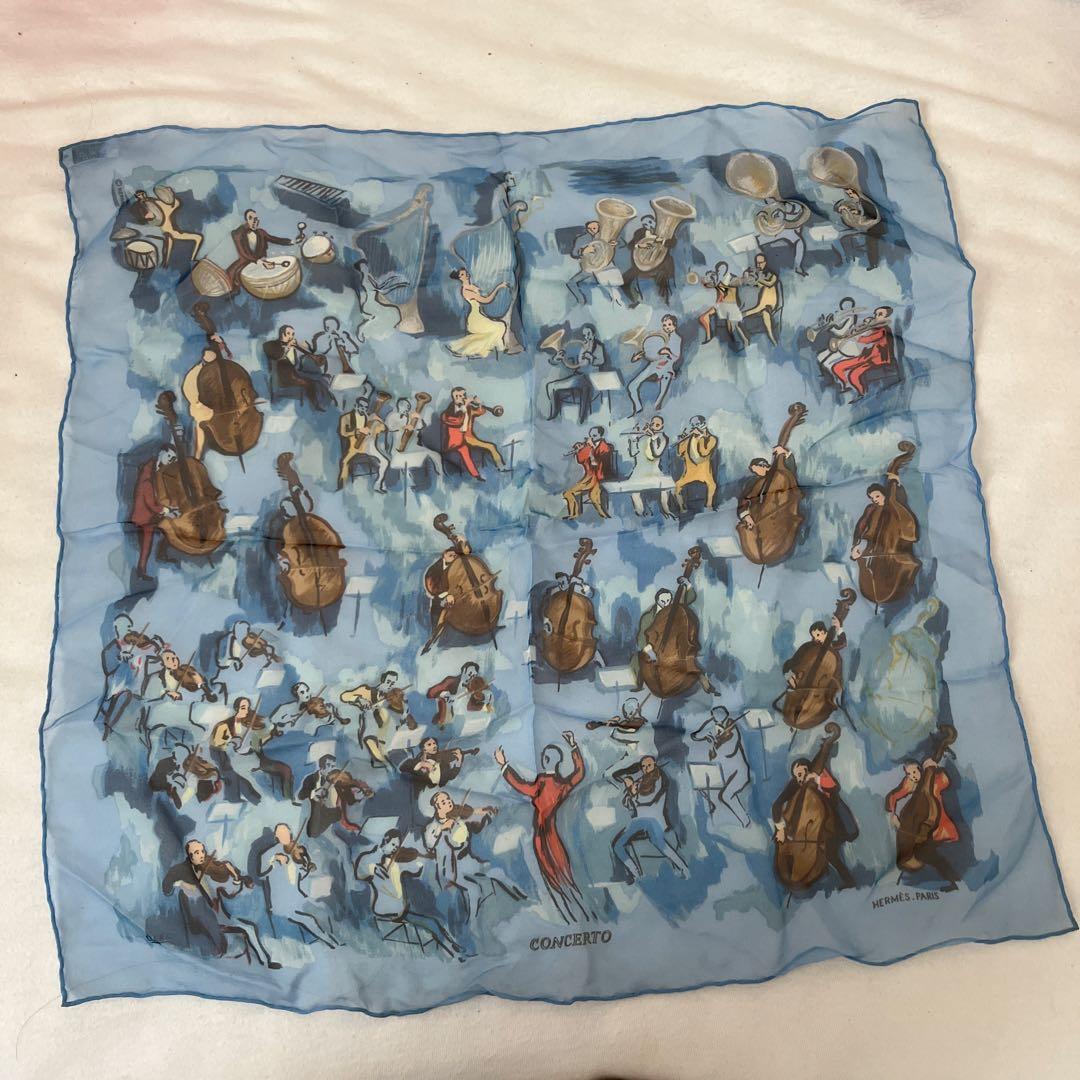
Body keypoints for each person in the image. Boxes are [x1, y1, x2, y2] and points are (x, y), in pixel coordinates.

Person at [495, 731, 591, 923]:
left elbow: (520, 785)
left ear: (545, 760)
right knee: (563, 870)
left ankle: (565, 909)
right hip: (553, 832)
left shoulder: (541, 785)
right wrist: (574, 747)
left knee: (551, 873)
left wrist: (504, 765)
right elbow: (579, 773)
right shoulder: (561, 784)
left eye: (544, 757)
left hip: (542, 834)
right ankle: (576, 906)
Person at [162, 839, 279, 968]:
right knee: (246, 929)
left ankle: (266, 961)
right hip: (202, 918)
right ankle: (258, 959)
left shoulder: (208, 866)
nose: (201, 855)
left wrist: (236, 877)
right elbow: (166, 887)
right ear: (189, 855)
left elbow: (228, 888)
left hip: (219, 914)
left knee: (250, 928)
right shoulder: (180, 870)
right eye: (196, 852)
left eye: (202, 851)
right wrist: (180, 884)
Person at [354, 829, 463, 958]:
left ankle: (452, 944)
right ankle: (449, 951)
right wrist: (374, 867)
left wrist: (420, 860)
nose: (396, 848)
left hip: (401, 910)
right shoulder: (372, 861)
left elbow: (416, 870)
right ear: (385, 841)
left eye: (397, 845)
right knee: (431, 923)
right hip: (386, 911)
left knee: (435, 919)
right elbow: (359, 872)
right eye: (393, 844)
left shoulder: (396, 864)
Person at [424, 792, 525, 919]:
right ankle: (473, 918)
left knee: (497, 872)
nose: (448, 802)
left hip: (468, 861)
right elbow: (434, 843)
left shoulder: (456, 815)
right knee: (474, 889)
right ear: (438, 808)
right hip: (452, 869)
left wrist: (487, 811)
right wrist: (442, 828)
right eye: (443, 802)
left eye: (448, 799)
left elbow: (472, 812)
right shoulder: (433, 826)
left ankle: (522, 896)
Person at [771, 758, 858, 889]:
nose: (799, 779)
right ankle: (831, 874)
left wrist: (817, 779)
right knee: (828, 853)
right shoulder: (796, 783)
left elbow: (834, 787)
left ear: (808, 770)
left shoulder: (819, 775)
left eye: (800, 774)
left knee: (830, 853)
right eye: (796, 776)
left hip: (832, 822)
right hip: (809, 829)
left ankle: (847, 880)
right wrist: (781, 829)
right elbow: (777, 805)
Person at [260, 824, 340, 948]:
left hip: (299, 896)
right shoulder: (270, 853)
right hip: (284, 903)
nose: (286, 836)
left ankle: (332, 938)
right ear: (276, 836)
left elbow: (299, 876)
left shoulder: (294, 850)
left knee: (324, 908)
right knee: (310, 920)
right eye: (281, 834)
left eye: (287, 833)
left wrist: (308, 868)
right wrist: (274, 858)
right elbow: (261, 871)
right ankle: (330, 942)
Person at [610, 756, 689, 882]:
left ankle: (683, 868)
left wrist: (633, 793)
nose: (646, 769)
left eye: (649, 765)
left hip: (654, 820)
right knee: (617, 845)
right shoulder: (640, 781)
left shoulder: (659, 778)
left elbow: (649, 800)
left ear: (655, 765)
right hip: (639, 820)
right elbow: (627, 804)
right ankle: (635, 872)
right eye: (643, 766)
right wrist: (630, 789)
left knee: (661, 844)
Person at [886, 759, 960, 889]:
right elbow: (894, 795)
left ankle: (954, 879)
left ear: (921, 769)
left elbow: (946, 780)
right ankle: (953, 879)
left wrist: (933, 768)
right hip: (921, 828)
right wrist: (892, 813)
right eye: (909, 774)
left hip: (937, 826)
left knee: (925, 853)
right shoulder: (910, 782)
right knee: (924, 852)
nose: (912, 776)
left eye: (914, 772)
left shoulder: (935, 780)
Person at [633, 585, 716, 695]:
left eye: (668, 601)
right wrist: (650, 651)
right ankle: (641, 684)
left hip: (672, 650)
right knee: (644, 661)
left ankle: (699, 678)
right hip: (653, 649)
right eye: (663, 601)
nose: (666, 604)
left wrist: (687, 585)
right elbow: (641, 638)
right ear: (657, 601)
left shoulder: (674, 610)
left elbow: (691, 597)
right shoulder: (648, 617)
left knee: (683, 661)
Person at [691, 707, 751, 826]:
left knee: (727, 795)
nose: (716, 719)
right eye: (715, 717)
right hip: (723, 772)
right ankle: (721, 815)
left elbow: (727, 753)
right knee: (702, 785)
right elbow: (694, 735)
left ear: (726, 715)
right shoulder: (714, 725)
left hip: (738, 773)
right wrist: (705, 734)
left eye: (719, 716)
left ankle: (745, 821)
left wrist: (715, 741)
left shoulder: (734, 731)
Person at [341, 669, 413, 766]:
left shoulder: (392, 697)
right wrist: (359, 699)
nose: (390, 685)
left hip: (389, 732)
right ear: (382, 680)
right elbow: (344, 696)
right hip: (371, 730)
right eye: (388, 682)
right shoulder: (367, 691)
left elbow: (403, 714)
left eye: (392, 683)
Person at [130, 448, 180, 577]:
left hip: (151, 513)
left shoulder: (156, 467)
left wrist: (169, 508)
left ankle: (160, 554)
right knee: (146, 545)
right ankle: (141, 570)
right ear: (161, 453)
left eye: (173, 458)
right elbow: (151, 503)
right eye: (169, 456)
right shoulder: (147, 478)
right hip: (145, 516)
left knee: (169, 526)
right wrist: (166, 510)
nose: (171, 460)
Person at [297, 754, 373, 836]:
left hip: (332, 813)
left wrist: (355, 797)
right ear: (321, 766)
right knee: (313, 832)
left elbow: (345, 795)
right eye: (329, 765)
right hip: (317, 809)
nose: (331, 769)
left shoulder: (336, 779)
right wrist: (314, 792)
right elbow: (301, 795)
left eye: (333, 766)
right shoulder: (311, 779)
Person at [263, 325, 334, 411]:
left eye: (293, 334)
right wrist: (287, 347)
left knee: (320, 379)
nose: (291, 336)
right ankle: (316, 405)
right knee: (310, 383)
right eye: (288, 333)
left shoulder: (293, 347)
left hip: (294, 373)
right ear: (282, 333)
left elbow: (295, 362)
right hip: (283, 378)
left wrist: (301, 348)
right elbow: (276, 355)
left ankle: (327, 400)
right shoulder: (272, 344)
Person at [544, 324, 605, 423]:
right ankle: (554, 414)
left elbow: (601, 361)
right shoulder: (581, 345)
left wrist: (592, 358)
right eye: (584, 335)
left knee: (585, 388)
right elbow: (568, 358)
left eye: (589, 334)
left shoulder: (599, 347)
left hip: (591, 378)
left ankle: (581, 419)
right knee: (551, 386)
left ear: (594, 334)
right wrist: (555, 359)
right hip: (579, 377)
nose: (587, 337)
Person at [208, 698, 264, 805]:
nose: (246, 711)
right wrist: (232, 744)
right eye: (243, 708)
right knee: (232, 776)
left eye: (247, 708)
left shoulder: (242, 723)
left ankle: (244, 799)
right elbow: (219, 743)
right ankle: (246, 799)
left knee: (235, 778)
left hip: (230, 754)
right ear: (236, 708)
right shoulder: (224, 725)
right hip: (219, 752)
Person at [446, 267, 512, 358]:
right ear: (460, 278)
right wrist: (498, 287)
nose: (466, 275)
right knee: (500, 326)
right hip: (475, 319)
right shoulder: (466, 291)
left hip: (479, 316)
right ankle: (493, 349)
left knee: (497, 328)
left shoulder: (472, 287)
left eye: (466, 273)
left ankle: (497, 348)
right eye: (462, 274)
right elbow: (486, 300)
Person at [441, 386, 505, 479]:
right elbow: (461, 425)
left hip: (468, 437)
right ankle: (497, 469)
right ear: (454, 397)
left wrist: (479, 404)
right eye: (458, 396)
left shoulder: (468, 408)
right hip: (456, 441)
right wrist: (466, 406)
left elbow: (480, 412)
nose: (462, 397)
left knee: (469, 456)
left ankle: (483, 473)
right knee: (488, 447)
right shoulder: (449, 412)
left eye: (463, 395)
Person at [832, 307, 897, 397]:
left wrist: (857, 336)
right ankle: (846, 386)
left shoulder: (884, 331)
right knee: (837, 367)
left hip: (878, 360)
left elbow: (868, 339)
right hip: (867, 357)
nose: (876, 316)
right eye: (875, 314)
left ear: (887, 318)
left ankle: (862, 394)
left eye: (880, 314)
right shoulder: (875, 329)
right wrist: (866, 325)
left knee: (854, 374)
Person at [226, 208, 294, 291]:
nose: (254, 221)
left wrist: (291, 241)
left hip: (260, 261)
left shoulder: (261, 232)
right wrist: (259, 261)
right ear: (246, 221)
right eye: (250, 218)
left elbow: (274, 239)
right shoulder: (238, 234)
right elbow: (244, 253)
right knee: (231, 276)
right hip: (244, 262)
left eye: (256, 218)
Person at [626, 314, 682, 415]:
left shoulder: (677, 339)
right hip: (654, 365)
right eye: (664, 325)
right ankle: (638, 408)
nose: (667, 327)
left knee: (661, 395)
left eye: (669, 324)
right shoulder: (660, 336)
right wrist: (637, 358)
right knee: (632, 386)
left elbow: (676, 357)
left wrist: (668, 352)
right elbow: (652, 354)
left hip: (666, 367)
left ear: (675, 325)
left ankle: (657, 409)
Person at [133, 187, 203, 265]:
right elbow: (149, 216)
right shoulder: (144, 206)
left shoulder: (153, 201)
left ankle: (167, 262)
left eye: (142, 194)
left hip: (168, 228)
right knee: (198, 238)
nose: (142, 196)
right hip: (169, 230)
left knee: (170, 244)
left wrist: (168, 194)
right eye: (139, 195)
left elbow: (171, 202)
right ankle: (192, 259)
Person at [625, 414, 675, 518]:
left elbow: (656, 454)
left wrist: (653, 438)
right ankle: (641, 513)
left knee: (666, 489)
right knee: (634, 492)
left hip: (654, 471)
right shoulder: (642, 436)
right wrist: (633, 440)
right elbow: (633, 453)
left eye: (657, 425)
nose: (654, 426)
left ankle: (666, 511)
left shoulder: (663, 438)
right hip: (639, 472)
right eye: (652, 424)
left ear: (662, 426)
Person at [337, 394, 389, 492]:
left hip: (367, 446)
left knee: (385, 462)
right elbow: (343, 432)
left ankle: (378, 485)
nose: (363, 409)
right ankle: (341, 487)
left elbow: (384, 429)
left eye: (365, 407)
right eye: (361, 406)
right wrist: (358, 431)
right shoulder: (346, 417)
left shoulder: (368, 417)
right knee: (344, 463)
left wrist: (379, 420)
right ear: (355, 406)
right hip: (354, 447)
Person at [567, 219, 624, 306]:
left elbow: (622, 244)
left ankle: (615, 301)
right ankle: (581, 301)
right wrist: (582, 251)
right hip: (589, 268)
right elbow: (574, 253)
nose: (592, 230)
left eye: (594, 228)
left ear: (599, 228)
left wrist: (613, 244)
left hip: (604, 267)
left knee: (610, 285)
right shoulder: (581, 239)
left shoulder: (606, 237)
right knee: (571, 283)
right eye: (589, 228)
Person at [384, 395, 443, 479]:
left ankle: (440, 476)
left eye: (408, 407)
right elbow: (389, 427)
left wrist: (419, 418)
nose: (407, 409)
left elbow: (420, 427)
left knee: (436, 455)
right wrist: (404, 427)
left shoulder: (409, 418)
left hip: (411, 448)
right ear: (399, 406)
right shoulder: (393, 416)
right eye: (405, 406)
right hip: (397, 451)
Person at [562, 425, 612, 520]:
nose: (591, 438)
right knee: (591, 497)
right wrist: (579, 450)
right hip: (590, 477)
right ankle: (574, 514)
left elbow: (596, 463)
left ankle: (603, 516)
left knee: (592, 496)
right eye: (590, 435)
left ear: (601, 435)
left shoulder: (604, 447)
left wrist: (592, 447)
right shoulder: (588, 446)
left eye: (594, 436)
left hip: (596, 477)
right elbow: (581, 460)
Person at [695, 261, 746, 348]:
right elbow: (709, 285)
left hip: (730, 305)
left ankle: (743, 341)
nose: (720, 272)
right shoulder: (718, 280)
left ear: (726, 269)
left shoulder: (731, 278)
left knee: (732, 327)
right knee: (703, 318)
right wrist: (704, 281)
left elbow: (726, 290)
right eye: (718, 270)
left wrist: (716, 285)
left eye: (722, 270)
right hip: (720, 305)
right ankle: (709, 337)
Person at [674, 415, 718, 512]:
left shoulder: (711, 439)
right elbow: (680, 453)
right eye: (693, 425)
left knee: (712, 485)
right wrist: (681, 440)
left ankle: (709, 506)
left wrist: (701, 437)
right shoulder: (689, 438)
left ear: (704, 424)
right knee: (677, 486)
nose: (694, 427)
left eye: (697, 424)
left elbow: (704, 452)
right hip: (689, 472)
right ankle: (682, 508)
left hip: (704, 471)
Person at [426, 661, 489, 727]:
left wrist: (481, 699)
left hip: (460, 721)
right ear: (464, 671)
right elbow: (430, 693)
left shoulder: (472, 690)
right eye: (470, 674)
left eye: (473, 676)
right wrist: (443, 695)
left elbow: (471, 708)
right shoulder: (450, 681)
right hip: (444, 716)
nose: (470, 678)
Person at [756, 197, 808, 275]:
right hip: (772, 226)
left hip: (781, 226)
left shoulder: (791, 215)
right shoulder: (778, 213)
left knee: (798, 240)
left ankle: (797, 266)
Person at [399, 737, 467, 794]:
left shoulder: (443, 764)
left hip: (436, 792)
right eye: (429, 744)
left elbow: (451, 776)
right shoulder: (416, 761)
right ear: (424, 749)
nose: (434, 746)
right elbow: (402, 768)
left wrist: (459, 761)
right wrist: (420, 765)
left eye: (434, 743)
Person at [740, 253, 780, 345]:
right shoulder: (759, 274)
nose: (758, 265)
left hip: (770, 304)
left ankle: (772, 338)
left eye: (761, 263)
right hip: (760, 305)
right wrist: (747, 275)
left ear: (765, 262)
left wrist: (757, 278)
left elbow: (770, 283)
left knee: (765, 312)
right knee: (739, 316)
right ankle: (746, 339)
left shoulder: (772, 274)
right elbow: (749, 278)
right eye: (757, 263)